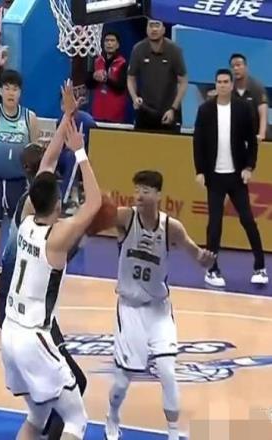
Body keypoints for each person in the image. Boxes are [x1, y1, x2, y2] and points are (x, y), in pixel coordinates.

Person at [0, 82, 89, 440]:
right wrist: (72, 131)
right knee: (73, 394)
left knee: (40, 409)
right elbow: (50, 160)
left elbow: (49, 159)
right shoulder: (35, 209)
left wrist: (67, 115)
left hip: (16, 303)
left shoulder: (32, 206)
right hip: (23, 311)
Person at [104, 170, 215, 440]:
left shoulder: (171, 228)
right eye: (137, 189)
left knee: (167, 372)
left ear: (158, 195)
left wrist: (204, 259)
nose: (139, 195)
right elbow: (96, 217)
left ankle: (173, 433)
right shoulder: (125, 218)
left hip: (158, 310)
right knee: (123, 381)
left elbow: (195, 253)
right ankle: (112, 415)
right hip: (130, 308)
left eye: (145, 190)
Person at [0, 46, 39, 322]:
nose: (11, 93)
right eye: (7, 88)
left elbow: (36, 155)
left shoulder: (29, 118)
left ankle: (18, 295)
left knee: (21, 245)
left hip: (18, 186)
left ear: (20, 93)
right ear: (0, 91)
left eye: (15, 89)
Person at [193, 69, 268, 287]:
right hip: (214, 177)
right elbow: (198, 142)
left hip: (236, 177)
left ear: (231, 85)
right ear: (215, 85)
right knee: (214, 224)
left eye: (226, 82)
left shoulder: (243, 108)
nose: (223, 85)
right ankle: (212, 270)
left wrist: (249, 167)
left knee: (248, 220)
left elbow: (252, 141)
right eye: (219, 82)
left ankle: (260, 267)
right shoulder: (205, 110)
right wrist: (200, 171)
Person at [127, 19, 188, 132]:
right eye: (151, 25)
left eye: (157, 25)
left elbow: (183, 82)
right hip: (145, 111)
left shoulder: (174, 50)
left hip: (168, 112)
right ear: (146, 29)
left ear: (163, 29)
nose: (154, 29)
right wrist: (134, 98)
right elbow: (131, 78)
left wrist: (173, 109)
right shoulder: (138, 49)